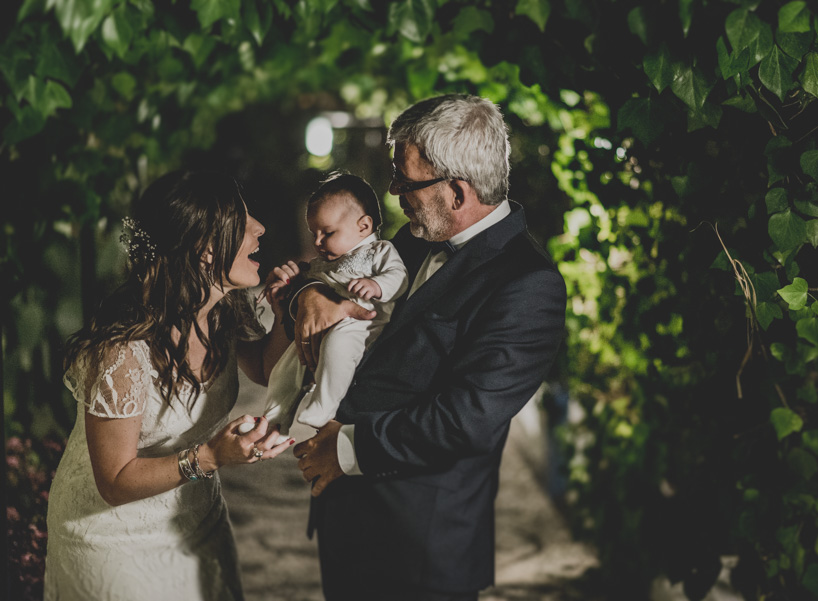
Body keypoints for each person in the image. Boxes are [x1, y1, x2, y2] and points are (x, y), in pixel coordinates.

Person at [290, 94, 568, 600]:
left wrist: (344, 448)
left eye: (407, 181)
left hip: (418, 550)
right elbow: (343, 272)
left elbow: (465, 417)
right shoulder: (416, 238)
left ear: (457, 192)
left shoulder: (527, 285)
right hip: (348, 523)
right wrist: (309, 294)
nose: (393, 190)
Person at [44, 170, 296, 601]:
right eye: (242, 219)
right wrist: (212, 455)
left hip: (196, 518)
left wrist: (286, 313)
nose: (260, 228)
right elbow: (115, 480)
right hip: (110, 536)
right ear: (205, 249)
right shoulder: (121, 353)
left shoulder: (221, 312)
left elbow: (261, 367)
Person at [260, 172, 407, 442]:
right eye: (314, 233)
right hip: (321, 330)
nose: (317, 242)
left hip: (361, 329)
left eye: (327, 233)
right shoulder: (323, 263)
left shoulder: (380, 251)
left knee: (337, 346)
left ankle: (325, 406)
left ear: (364, 226)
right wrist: (288, 285)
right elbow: (304, 287)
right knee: (287, 367)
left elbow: (399, 277)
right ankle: (274, 417)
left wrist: (377, 286)